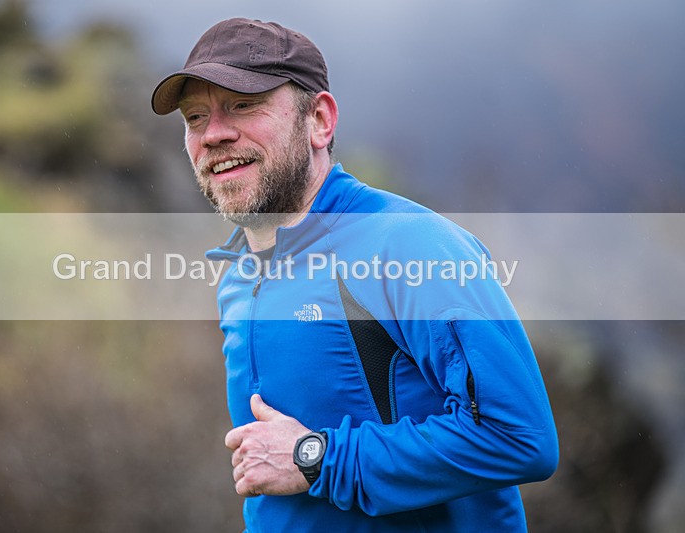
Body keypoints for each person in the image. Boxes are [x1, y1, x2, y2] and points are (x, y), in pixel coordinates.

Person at [151, 17, 558, 532]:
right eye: (194, 117)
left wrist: (315, 458)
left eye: (243, 105)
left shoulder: (408, 245)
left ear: (319, 120)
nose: (213, 134)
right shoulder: (238, 276)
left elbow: (519, 438)